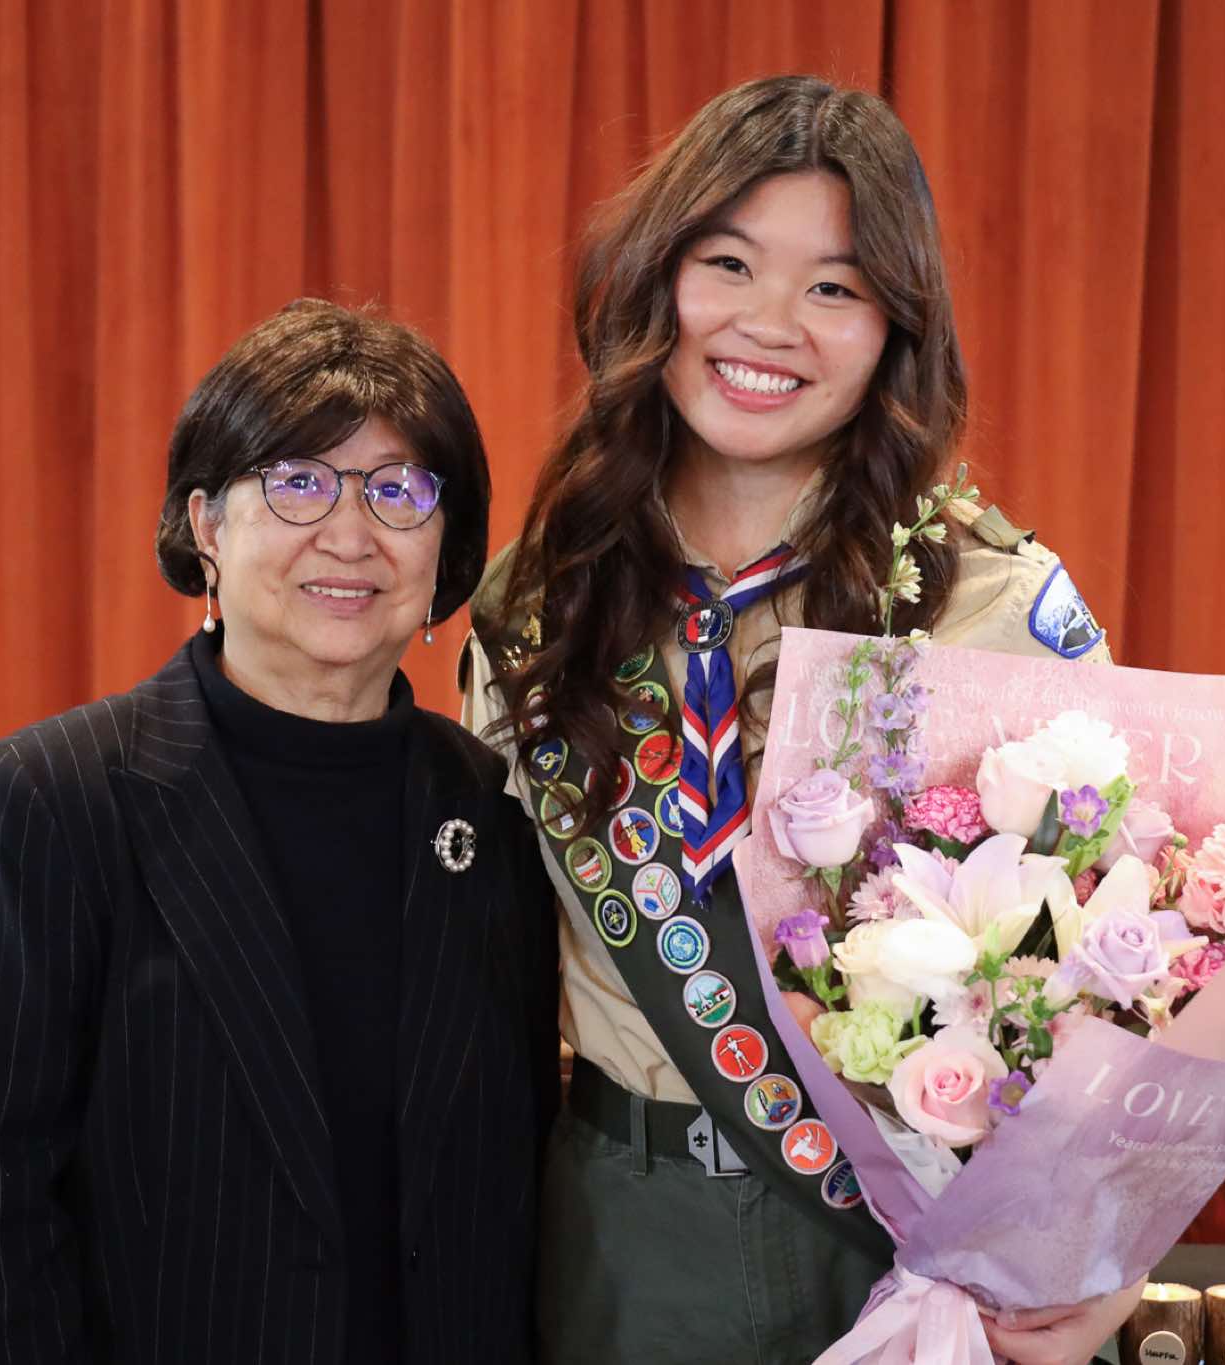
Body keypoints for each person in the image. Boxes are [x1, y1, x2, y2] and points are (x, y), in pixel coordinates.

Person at [462, 77, 1138, 1364]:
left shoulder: (990, 602)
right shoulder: (540, 606)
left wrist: (1104, 1256)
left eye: (833, 286)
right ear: (654, 281)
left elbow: (1126, 968)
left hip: (928, 1244)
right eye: (726, 264)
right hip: (629, 1231)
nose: (768, 325)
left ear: (895, 330)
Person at [0, 298, 559, 1365]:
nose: (350, 535)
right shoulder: (54, 798)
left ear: (446, 549)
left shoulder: (490, 806)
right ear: (207, 525)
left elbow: (515, 1175)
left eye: (398, 491)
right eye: (299, 482)